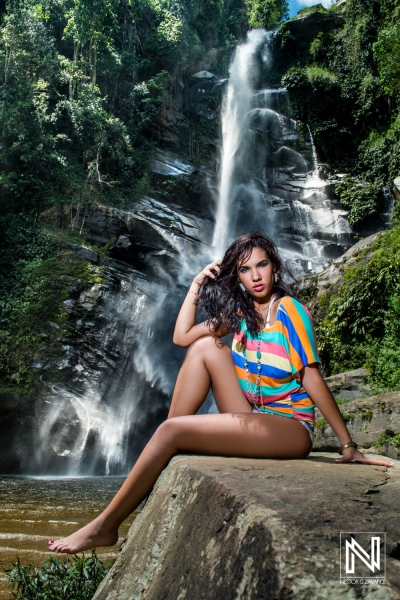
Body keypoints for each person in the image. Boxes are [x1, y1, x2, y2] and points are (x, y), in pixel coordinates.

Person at [48, 233, 393, 554]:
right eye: (245, 269)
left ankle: (105, 526)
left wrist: (349, 446)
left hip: (289, 427)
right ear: (237, 276)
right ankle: (167, 450)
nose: (256, 276)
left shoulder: (290, 311)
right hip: (252, 413)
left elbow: (312, 378)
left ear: (274, 266)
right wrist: (198, 282)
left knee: (172, 430)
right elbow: (182, 337)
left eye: (262, 265)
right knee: (204, 348)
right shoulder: (241, 313)